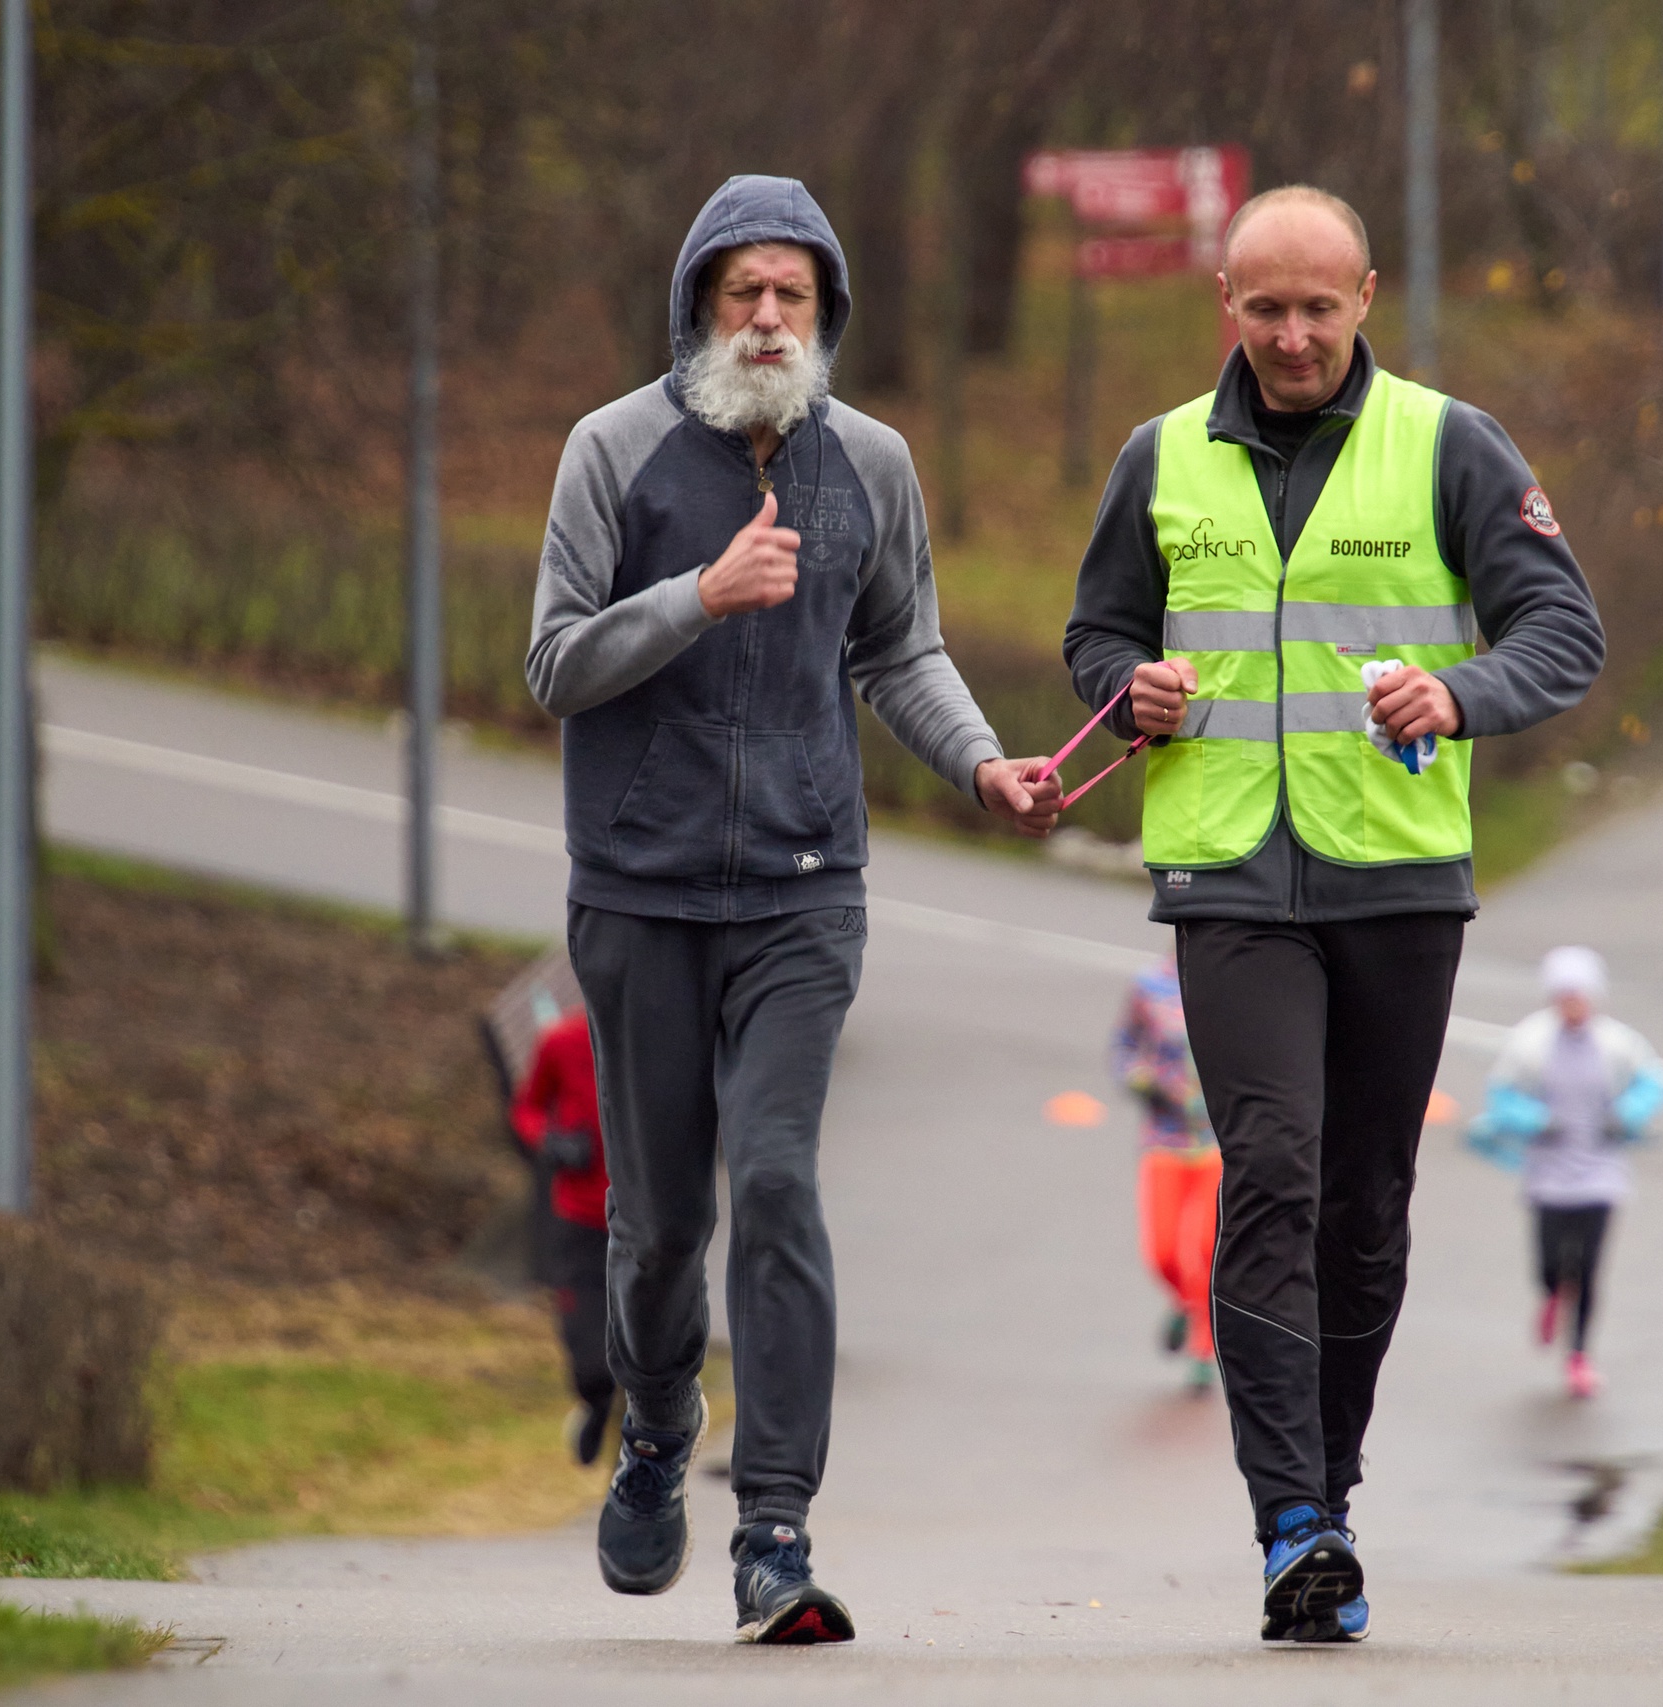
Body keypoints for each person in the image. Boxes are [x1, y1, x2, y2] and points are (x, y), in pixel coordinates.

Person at [1061, 184, 1605, 1644]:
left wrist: (1462, 690)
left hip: (1397, 878)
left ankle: (1334, 1486)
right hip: (1230, 873)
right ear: (1224, 307)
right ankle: (1290, 1518)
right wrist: (1133, 691)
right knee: (1275, 1171)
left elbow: (1563, 626)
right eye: (1265, 308)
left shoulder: (1450, 444)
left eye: (1318, 307)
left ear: (1366, 294)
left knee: (1367, 1203)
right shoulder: (1161, 456)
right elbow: (1098, 631)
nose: (1293, 336)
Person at [526, 174, 1060, 1646]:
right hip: (639, 893)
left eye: (793, 295)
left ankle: (775, 1529)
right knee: (656, 1227)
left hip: (804, 895)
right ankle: (652, 1424)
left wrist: (982, 764)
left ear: (828, 312)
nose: (767, 318)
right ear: (698, 301)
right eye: (741, 291)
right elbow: (556, 663)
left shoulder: (869, 464)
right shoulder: (614, 452)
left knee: (774, 1182)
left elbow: (903, 650)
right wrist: (699, 593)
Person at [1466, 947, 1663, 1400]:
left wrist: (1628, 1114)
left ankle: (1578, 1355)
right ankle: (1553, 1292)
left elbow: (1651, 1083)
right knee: (1551, 1262)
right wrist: (1535, 1121)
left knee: (1591, 1267)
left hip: (1601, 1172)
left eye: (1580, 996)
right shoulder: (1531, 1043)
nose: (1573, 1005)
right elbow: (1501, 1096)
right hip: (1549, 1174)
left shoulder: (1618, 1044)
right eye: (1565, 996)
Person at [508, 1005, 616, 1464]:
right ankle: (595, 1402)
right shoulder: (561, 1040)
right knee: (589, 1349)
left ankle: (641, 1457)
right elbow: (527, 1108)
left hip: (645, 1219)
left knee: (648, 1346)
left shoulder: (658, 1038)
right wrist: (550, 1140)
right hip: (580, 1216)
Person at [1113, 955, 1220, 1392]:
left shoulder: (1242, 986)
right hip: (1164, 1138)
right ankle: (1185, 1303)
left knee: (1204, 1248)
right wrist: (1144, 1080)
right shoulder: (1150, 986)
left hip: (1219, 1141)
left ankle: (1203, 1351)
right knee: (1162, 1253)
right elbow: (1123, 1048)